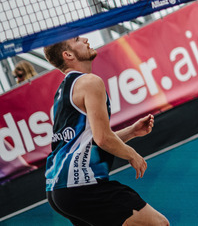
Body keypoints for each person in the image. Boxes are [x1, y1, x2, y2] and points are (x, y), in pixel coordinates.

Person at [42, 36, 168, 226]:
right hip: (81, 185)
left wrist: (131, 132)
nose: (85, 39)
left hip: (58, 190)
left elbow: (88, 141)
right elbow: (102, 139)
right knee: (158, 224)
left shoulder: (63, 90)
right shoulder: (89, 82)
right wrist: (131, 154)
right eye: (77, 39)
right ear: (68, 54)